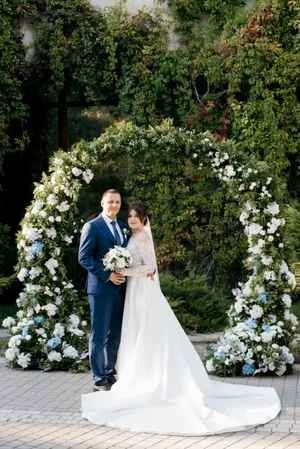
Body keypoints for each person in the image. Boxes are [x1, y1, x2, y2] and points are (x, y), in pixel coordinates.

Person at [81, 201, 281, 435]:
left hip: (142, 291)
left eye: (137, 216)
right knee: (130, 331)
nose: (133, 219)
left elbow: (150, 267)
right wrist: (118, 269)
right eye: (131, 216)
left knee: (145, 330)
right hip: (131, 291)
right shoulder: (125, 233)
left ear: (144, 219)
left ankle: (141, 376)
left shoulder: (142, 237)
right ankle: (115, 375)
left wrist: (123, 271)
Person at [78, 189, 128, 392]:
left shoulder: (123, 228)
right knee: (98, 336)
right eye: (110, 202)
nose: (114, 205)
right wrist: (107, 275)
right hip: (100, 290)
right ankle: (99, 380)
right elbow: (84, 257)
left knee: (114, 335)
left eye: (117, 202)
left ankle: (109, 373)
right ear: (102, 203)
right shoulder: (92, 227)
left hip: (120, 290)